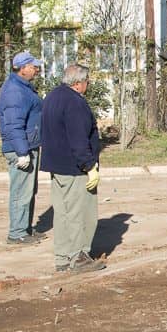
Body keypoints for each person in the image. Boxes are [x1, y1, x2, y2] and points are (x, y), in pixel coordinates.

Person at [40, 63, 105, 274]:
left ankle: (62, 257)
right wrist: (89, 166)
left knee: (62, 213)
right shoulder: (74, 103)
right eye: (87, 82)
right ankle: (78, 257)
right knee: (80, 213)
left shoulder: (52, 96)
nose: (88, 85)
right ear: (78, 83)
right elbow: (78, 138)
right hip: (74, 167)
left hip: (57, 166)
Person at [0, 50, 45, 244]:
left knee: (28, 191)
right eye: (33, 67)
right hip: (20, 148)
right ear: (23, 68)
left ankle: (25, 229)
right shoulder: (14, 91)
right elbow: (13, 124)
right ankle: (17, 233)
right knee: (20, 191)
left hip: (27, 144)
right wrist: (22, 152)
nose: (37, 70)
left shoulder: (23, 87)